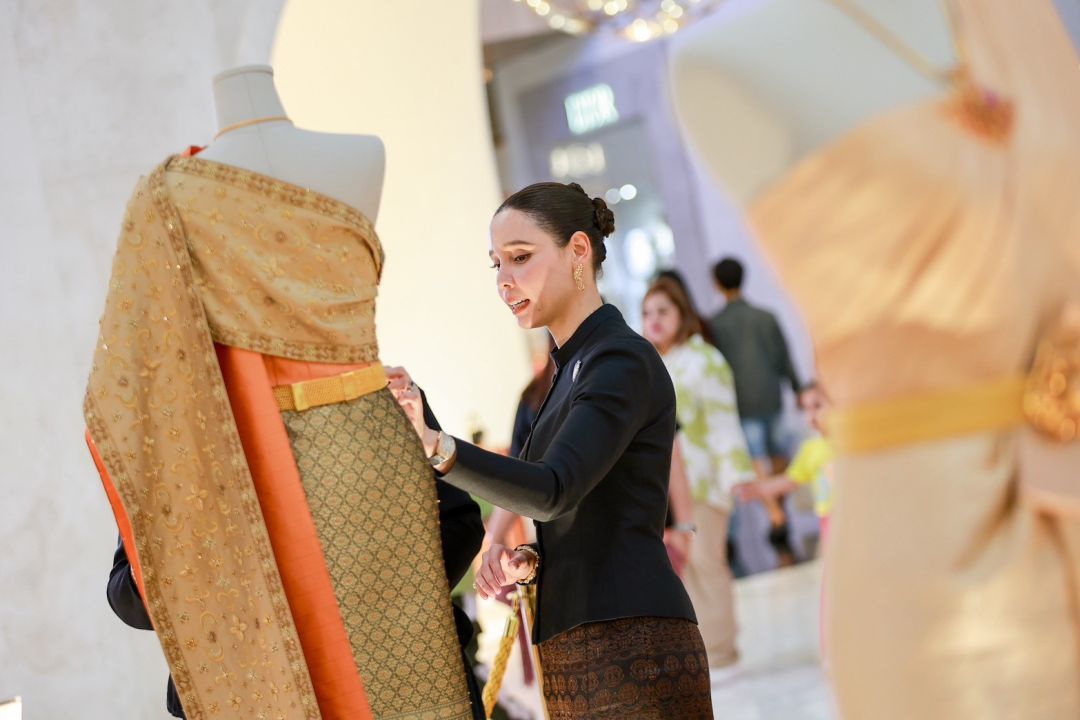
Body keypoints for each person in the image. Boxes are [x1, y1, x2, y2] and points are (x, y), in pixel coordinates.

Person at [84, 67, 480, 717]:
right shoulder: (194, 463)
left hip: (364, 448)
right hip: (355, 437)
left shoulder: (177, 197)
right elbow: (128, 592)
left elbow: (460, 524)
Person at [389, 181, 713, 719]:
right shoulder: (566, 374)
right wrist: (534, 560)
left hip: (633, 644)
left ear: (578, 251)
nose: (504, 280)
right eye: (496, 263)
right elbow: (580, 510)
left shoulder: (620, 359)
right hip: (574, 648)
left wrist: (436, 445)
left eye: (520, 257)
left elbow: (554, 489)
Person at [642, 276, 755, 678]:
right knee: (684, 569)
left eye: (663, 311)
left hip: (704, 481)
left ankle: (723, 653)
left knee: (707, 563)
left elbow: (724, 420)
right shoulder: (651, 364)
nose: (654, 320)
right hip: (667, 490)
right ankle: (704, 654)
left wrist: (737, 475)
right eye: (647, 313)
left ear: (682, 313)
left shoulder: (704, 359)